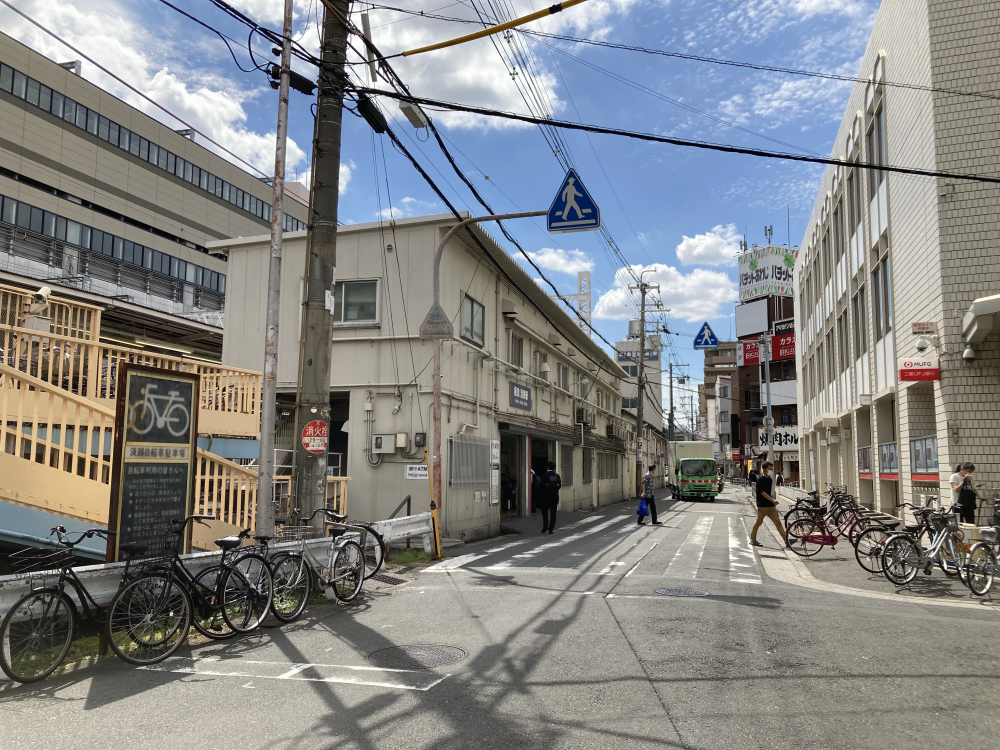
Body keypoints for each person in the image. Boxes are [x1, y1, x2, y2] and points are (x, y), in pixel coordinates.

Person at [750, 461, 787, 547]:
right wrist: (772, 500)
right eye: (770, 468)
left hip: (771, 506)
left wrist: (772, 501)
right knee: (758, 522)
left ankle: (786, 539)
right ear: (764, 469)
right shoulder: (760, 480)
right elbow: (762, 492)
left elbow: (768, 492)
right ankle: (753, 539)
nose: (771, 470)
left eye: (772, 468)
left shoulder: (770, 479)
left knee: (778, 522)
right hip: (762, 506)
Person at [538, 461, 562, 534]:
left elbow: (541, 485)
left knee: (545, 511)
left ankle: (545, 525)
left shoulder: (544, 475)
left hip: (546, 496)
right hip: (554, 496)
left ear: (547, 467)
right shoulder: (557, 476)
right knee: (553, 512)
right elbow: (559, 486)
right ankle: (551, 529)